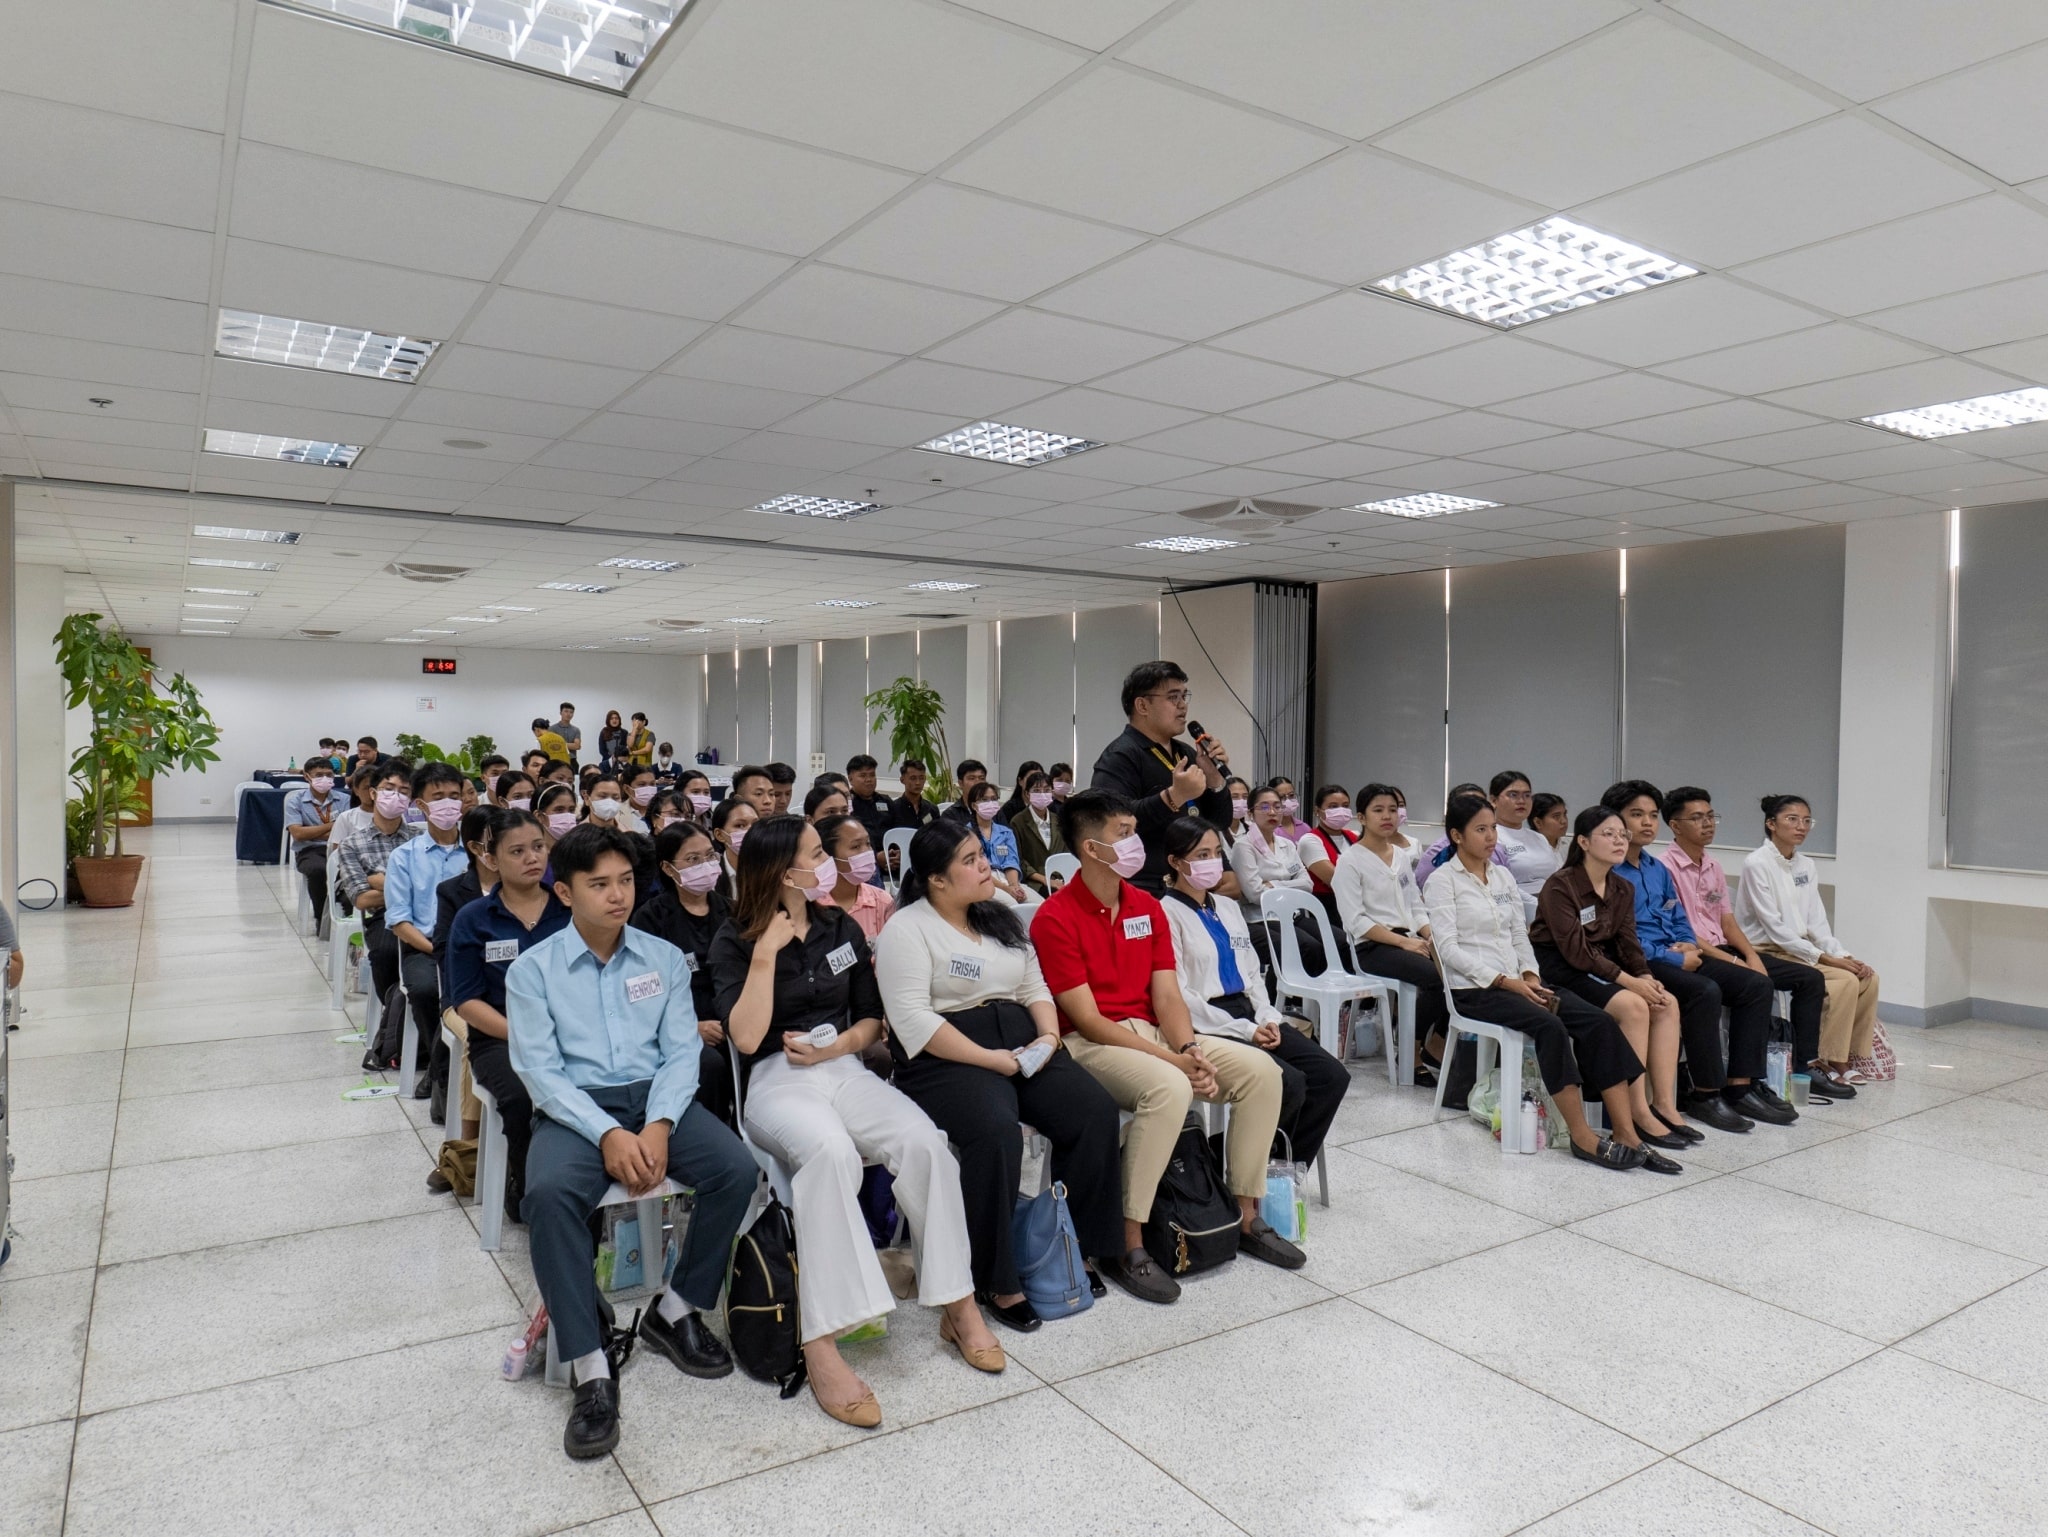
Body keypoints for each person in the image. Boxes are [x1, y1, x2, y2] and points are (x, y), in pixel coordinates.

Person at [710, 814, 1001, 1427]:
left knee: (926, 1143)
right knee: (831, 1153)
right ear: (783, 870)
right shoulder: (734, 938)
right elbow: (743, 1036)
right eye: (817, 854)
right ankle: (822, 1342)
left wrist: (838, 1048)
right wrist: (765, 955)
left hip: (844, 1070)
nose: (830, 864)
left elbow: (873, 1021)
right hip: (775, 1082)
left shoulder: (839, 926)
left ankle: (957, 1302)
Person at [508, 824, 756, 1460]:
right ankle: (590, 1367)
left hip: (656, 1099)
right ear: (564, 892)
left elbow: (679, 1054)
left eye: (624, 881)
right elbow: (541, 1072)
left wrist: (658, 1124)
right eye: (599, 885)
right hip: (576, 1110)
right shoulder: (533, 970)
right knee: (548, 1194)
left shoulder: (661, 958)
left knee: (735, 1167)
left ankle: (676, 1309)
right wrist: (608, 1131)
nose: (617, 896)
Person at [1033, 789, 1303, 1308]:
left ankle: (1247, 1214)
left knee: (1262, 1074)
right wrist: (1177, 1062)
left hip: (1158, 1032)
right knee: (1168, 1087)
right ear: (1092, 848)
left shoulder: (1144, 907)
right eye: (1124, 834)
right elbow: (1087, 1019)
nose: (1138, 843)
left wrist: (1188, 1046)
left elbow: (1166, 992)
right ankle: (1128, 1241)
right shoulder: (1055, 917)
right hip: (1091, 1042)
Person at [875, 820, 1124, 1332]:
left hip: (1023, 1039)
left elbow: (1034, 984)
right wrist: (992, 1060)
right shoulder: (907, 928)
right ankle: (996, 1278)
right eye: (969, 860)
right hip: (946, 1056)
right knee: (995, 1134)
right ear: (936, 880)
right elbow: (914, 1019)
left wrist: (1049, 1039)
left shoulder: (1001, 913)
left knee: (1093, 1112)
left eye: (980, 855)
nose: (984, 865)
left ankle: (1072, 1249)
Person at [1425, 795, 1667, 1172]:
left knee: (1598, 1021)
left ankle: (1626, 1132)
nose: (1491, 837)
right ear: (1457, 835)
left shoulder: (1502, 876)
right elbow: (1449, 950)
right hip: (1475, 989)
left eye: (1492, 829)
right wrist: (1506, 982)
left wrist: (1530, 976)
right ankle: (1582, 1135)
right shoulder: (1443, 882)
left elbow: (1520, 936)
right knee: (1550, 1025)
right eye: (1481, 830)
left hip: (1521, 982)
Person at [1160, 818, 1350, 1171]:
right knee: (1287, 1082)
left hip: (1251, 1013)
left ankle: (1282, 1171)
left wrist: (1267, 1016)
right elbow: (1180, 995)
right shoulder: (1165, 913)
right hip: (1208, 1021)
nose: (1213, 862)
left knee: (1330, 1075)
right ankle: (1246, 1170)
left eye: (1217, 853)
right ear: (1175, 862)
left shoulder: (1227, 908)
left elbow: (1252, 973)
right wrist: (1248, 1030)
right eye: (1201, 854)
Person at [1603, 779, 1793, 1132]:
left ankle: (1741, 1085)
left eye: (1652, 815)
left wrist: (1688, 943)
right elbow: (1615, 938)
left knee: (1755, 985)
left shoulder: (1654, 868)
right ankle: (1705, 1094)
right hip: (1640, 962)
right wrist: (1676, 958)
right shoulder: (1609, 870)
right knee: (1704, 990)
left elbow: (1678, 916)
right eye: (1636, 815)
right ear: (1614, 821)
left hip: (1676, 952)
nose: (1647, 822)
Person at [1530, 807, 1693, 1155]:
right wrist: (1631, 984)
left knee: (1665, 1002)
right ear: (1585, 842)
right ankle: (1634, 1111)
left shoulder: (1620, 887)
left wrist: (1646, 976)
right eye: (1609, 834)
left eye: (1623, 834)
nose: (1619, 840)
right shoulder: (1561, 885)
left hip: (1601, 965)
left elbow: (1628, 943)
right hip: (1562, 970)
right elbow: (1575, 952)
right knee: (1634, 1005)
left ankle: (1663, 1103)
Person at [1660, 786, 1831, 1103]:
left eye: (1711, 816)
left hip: (1725, 948)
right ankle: (1741, 1083)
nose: (1708, 823)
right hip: (1695, 952)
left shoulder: (1711, 865)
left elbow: (1726, 920)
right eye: (1697, 818)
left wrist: (1751, 955)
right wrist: (1739, 964)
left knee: (1810, 979)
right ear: (1675, 825)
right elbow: (1682, 931)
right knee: (1755, 985)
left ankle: (1804, 1070)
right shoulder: (1665, 868)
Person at [448, 808, 567, 1217]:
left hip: (572, 1029)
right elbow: (467, 1001)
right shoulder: (474, 919)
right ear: (491, 859)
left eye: (538, 847)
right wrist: (522, 1034)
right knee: (521, 1096)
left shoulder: (568, 910)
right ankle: (529, 1188)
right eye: (517, 851)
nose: (532, 858)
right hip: (501, 1037)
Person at [1736, 794, 1881, 1096]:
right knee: (1843, 981)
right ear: (1771, 824)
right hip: (1766, 948)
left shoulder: (1806, 865)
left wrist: (1842, 954)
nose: (1801, 826)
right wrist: (1828, 961)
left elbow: (1817, 922)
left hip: (1800, 948)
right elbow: (1774, 928)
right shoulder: (1756, 864)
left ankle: (1846, 1055)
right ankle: (1827, 1062)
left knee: (1867, 977)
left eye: (1806, 820)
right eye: (1792, 819)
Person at [1334, 783, 1450, 1082]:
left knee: (1457, 968)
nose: (1387, 816)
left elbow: (1415, 904)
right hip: (1372, 946)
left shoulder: (1400, 856)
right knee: (1435, 977)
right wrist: (1405, 943)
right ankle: (1411, 1053)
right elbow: (1355, 921)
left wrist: (1430, 935)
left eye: (1392, 810)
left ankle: (1436, 1043)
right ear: (1361, 817)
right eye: (1378, 810)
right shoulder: (1349, 861)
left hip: (1408, 938)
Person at [1088, 660, 1233, 892]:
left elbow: (1219, 821)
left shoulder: (1186, 752)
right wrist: (1174, 797)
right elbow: (1114, 826)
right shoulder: (1119, 756)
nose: (1183, 706)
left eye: (1184, 696)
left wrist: (1214, 778)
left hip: (1189, 885)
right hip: (1142, 887)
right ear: (1143, 706)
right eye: (1173, 697)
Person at [631, 820, 738, 1127]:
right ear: (667, 868)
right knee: (710, 1065)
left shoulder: (731, 912)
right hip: (679, 1025)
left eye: (709, 856)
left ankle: (748, 1143)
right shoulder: (651, 918)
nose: (704, 865)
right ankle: (711, 1139)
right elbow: (644, 991)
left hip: (732, 1019)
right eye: (692, 860)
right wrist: (690, 1028)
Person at [381, 762, 472, 1099]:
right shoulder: (404, 857)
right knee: (423, 989)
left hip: (474, 944)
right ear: (421, 805)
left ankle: (441, 1071)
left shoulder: (479, 852)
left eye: (454, 795)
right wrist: (438, 951)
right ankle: (443, 1071)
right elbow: (400, 921)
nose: (449, 803)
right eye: (439, 797)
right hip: (426, 946)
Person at [333, 759, 419, 1017]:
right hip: (383, 917)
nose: (396, 796)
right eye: (389, 788)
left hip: (424, 910)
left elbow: (437, 886)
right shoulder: (352, 844)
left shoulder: (419, 838)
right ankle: (394, 1016)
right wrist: (411, 885)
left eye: (404, 791)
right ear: (373, 793)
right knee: (386, 952)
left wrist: (377, 878)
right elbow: (362, 899)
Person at [284, 758, 350, 927]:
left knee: (352, 870)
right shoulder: (295, 800)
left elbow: (347, 832)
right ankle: (322, 919)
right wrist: (332, 826)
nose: (325, 779)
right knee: (318, 870)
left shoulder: (344, 799)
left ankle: (348, 916)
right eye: (319, 775)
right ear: (307, 776)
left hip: (340, 849)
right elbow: (298, 834)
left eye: (329, 775)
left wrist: (312, 831)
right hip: (309, 850)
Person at [1490, 771, 1560, 919]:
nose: (1521, 801)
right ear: (1493, 800)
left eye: (1527, 795)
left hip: (1550, 904)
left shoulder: (1539, 838)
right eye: (1513, 795)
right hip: (1514, 909)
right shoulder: (1491, 836)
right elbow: (1500, 886)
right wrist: (1542, 907)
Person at [817, 813, 894, 942]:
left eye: (868, 844)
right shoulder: (813, 905)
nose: (867, 852)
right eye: (856, 846)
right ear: (829, 857)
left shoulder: (882, 902)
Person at [1294, 785, 1358, 917]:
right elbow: (1335, 880)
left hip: (1357, 903)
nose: (1341, 811)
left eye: (1345, 806)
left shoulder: (1354, 836)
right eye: (1333, 806)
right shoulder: (1310, 840)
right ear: (1317, 811)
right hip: (1327, 908)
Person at [966, 780, 1030, 903]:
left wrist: (1014, 886)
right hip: (983, 881)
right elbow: (979, 868)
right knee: (1012, 904)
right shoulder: (967, 833)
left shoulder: (1006, 832)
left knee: (1038, 904)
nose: (990, 803)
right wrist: (1007, 889)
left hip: (1008, 879)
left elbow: (1011, 862)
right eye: (984, 800)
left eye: (994, 799)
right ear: (974, 806)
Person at [1009, 769, 1066, 896]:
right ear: (1027, 794)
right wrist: (1046, 880)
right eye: (1036, 790)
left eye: (1046, 790)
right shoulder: (1018, 821)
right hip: (1035, 881)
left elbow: (1066, 852)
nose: (1042, 794)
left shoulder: (1058, 820)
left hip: (1061, 877)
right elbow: (1019, 859)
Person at [708, 796, 757, 898]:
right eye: (740, 825)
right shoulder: (710, 878)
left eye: (755, 824)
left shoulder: (773, 871)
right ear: (720, 835)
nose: (751, 831)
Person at [885, 758, 940, 842]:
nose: (918, 782)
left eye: (921, 778)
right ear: (902, 780)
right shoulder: (892, 808)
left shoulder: (932, 809)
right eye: (913, 778)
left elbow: (937, 837)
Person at [846, 754, 892, 845]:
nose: (869, 780)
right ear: (850, 779)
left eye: (872, 775)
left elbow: (896, 829)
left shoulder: (885, 801)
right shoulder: (846, 805)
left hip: (889, 852)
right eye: (863, 776)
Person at [1267, 775, 1309, 847]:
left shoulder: (1304, 828)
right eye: (1281, 797)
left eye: (1291, 795)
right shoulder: (1269, 829)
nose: (1288, 800)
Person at [996, 759, 1042, 823]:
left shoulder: (1048, 805)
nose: (1035, 782)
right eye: (1030, 778)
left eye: (1039, 778)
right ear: (1020, 781)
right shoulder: (1010, 808)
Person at [552, 702, 582, 768]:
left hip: (572, 761)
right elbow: (552, 745)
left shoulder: (576, 730)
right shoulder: (552, 729)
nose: (568, 714)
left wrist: (559, 744)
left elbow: (577, 746)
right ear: (560, 713)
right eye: (566, 711)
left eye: (571, 712)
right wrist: (571, 745)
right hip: (556, 761)